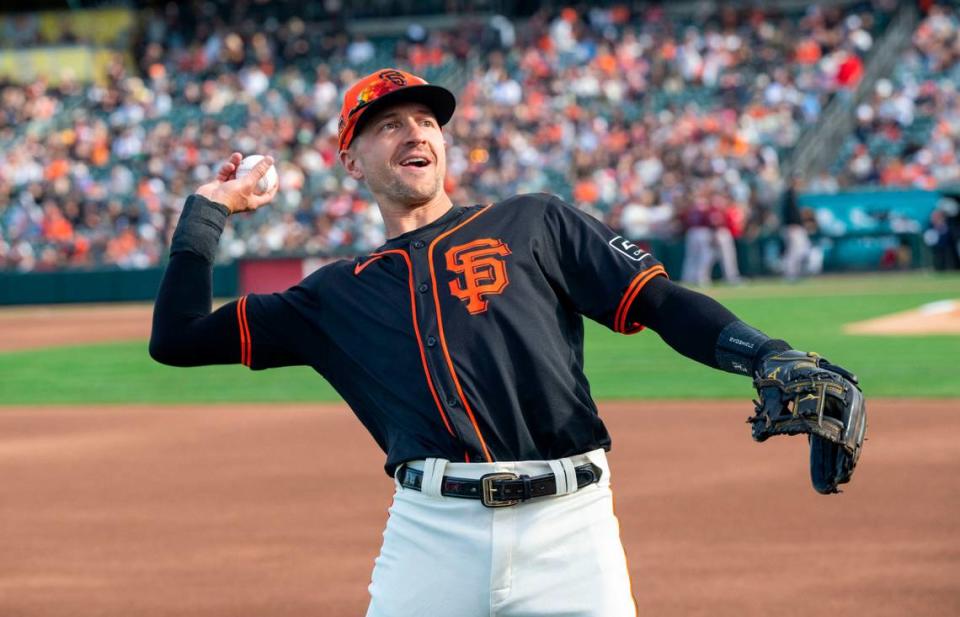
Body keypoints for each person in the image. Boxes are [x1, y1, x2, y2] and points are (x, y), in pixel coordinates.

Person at [150, 68, 853, 616]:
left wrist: (763, 353)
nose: (414, 131)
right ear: (352, 162)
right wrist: (208, 210)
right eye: (387, 124)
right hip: (430, 533)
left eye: (426, 119)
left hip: (570, 527)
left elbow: (661, 301)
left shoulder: (532, 221)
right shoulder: (334, 295)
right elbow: (177, 338)